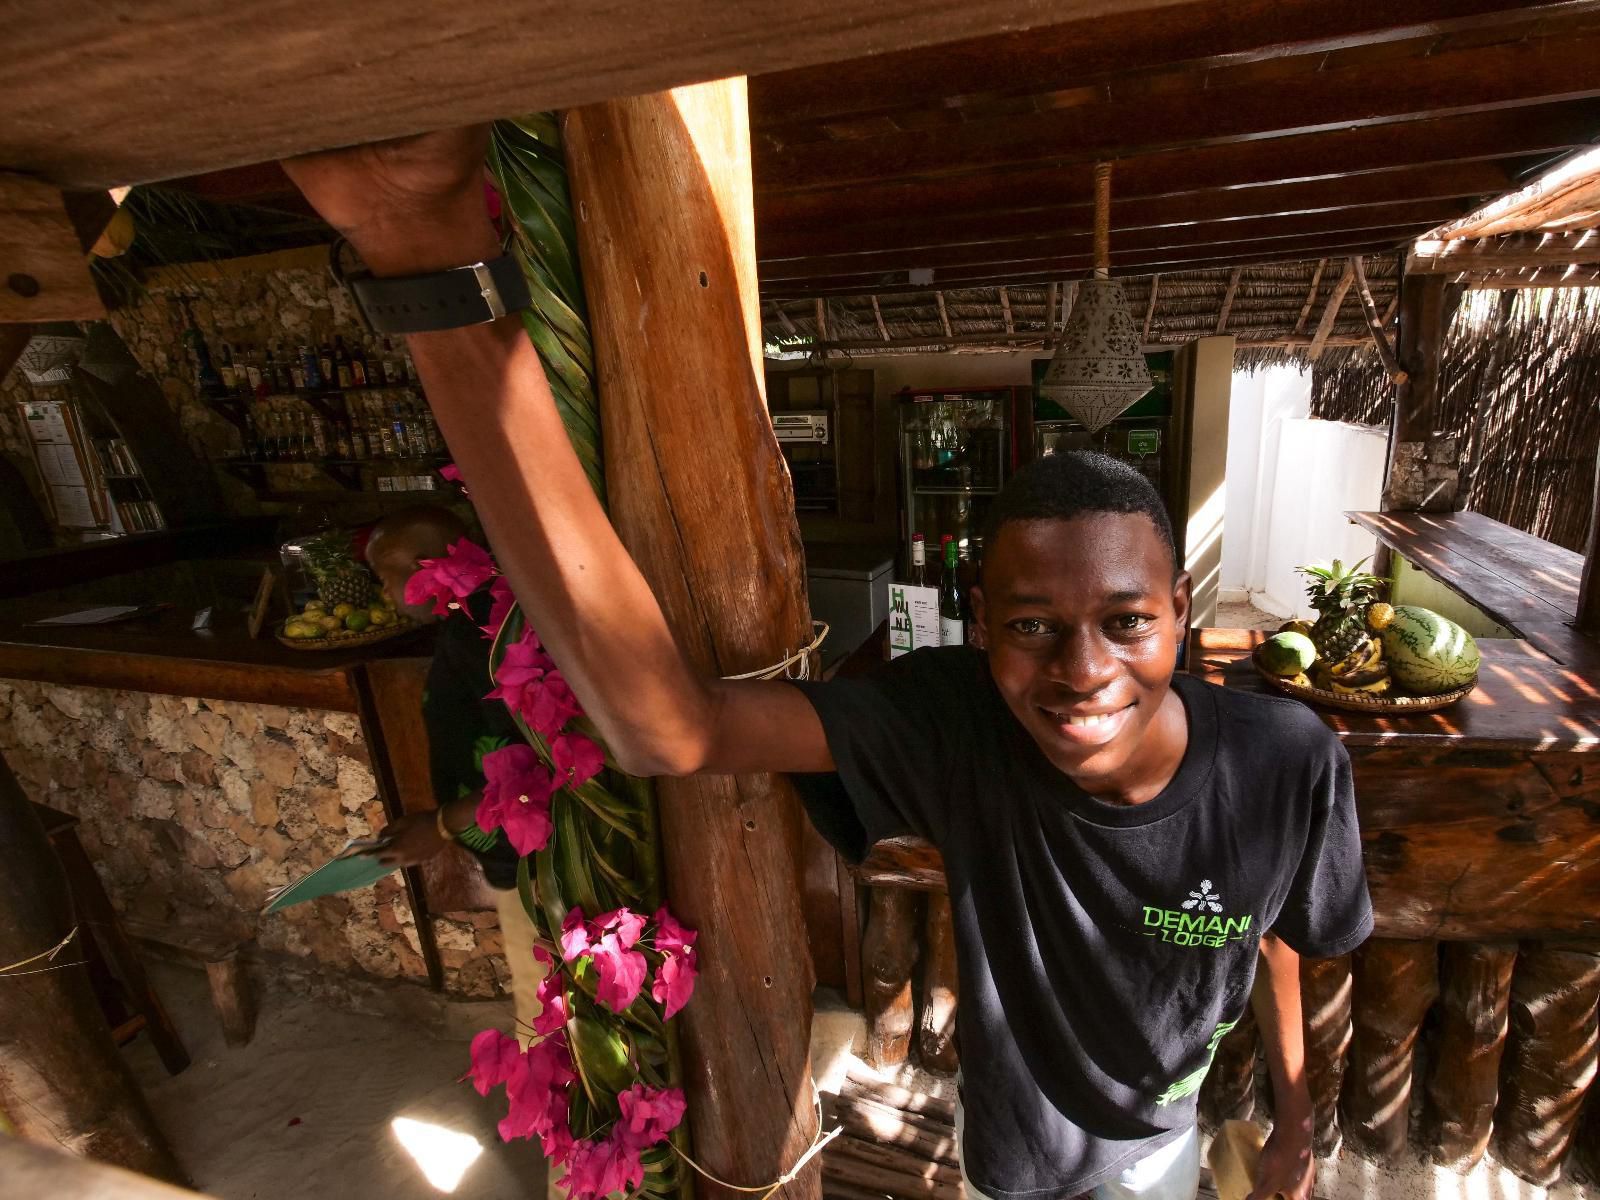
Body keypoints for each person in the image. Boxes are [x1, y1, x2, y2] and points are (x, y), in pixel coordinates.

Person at [283, 129, 1372, 1200]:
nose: (1082, 671)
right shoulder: (952, 725)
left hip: (1170, 1142)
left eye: (1127, 621)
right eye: (1033, 626)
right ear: (979, 622)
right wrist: (422, 256)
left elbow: (1283, 940)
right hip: (1018, 1161)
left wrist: (1292, 1118)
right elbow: (668, 728)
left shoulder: (1287, 761)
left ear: (1182, 614)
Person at [364, 504, 545, 1044]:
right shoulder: (474, 619)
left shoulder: (485, 635)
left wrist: (441, 824)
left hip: (538, 863)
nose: (383, 593)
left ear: (422, 565)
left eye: (383, 576)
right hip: (518, 854)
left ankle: (586, 1124)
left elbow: (539, 767)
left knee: (549, 1013)